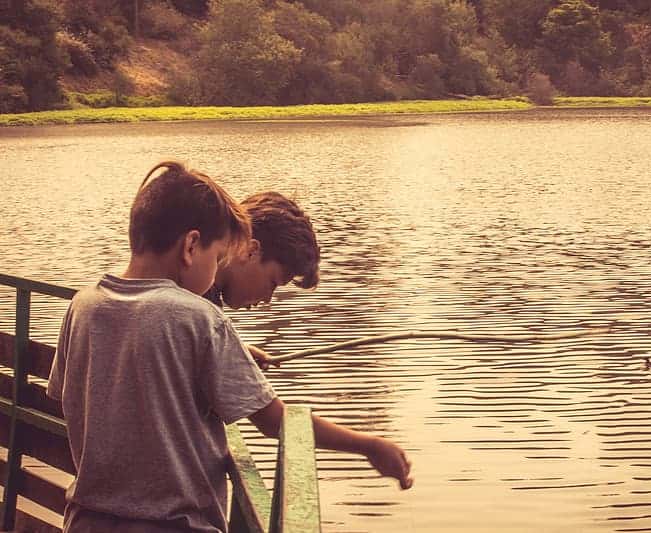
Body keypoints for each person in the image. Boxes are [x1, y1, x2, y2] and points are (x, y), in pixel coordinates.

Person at [47, 162, 412, 533]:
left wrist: (214, 360)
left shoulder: (83, 304)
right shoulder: (201, 319)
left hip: (86, 521)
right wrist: (368, 445)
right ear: (191, 246)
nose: (220, 262)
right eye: (218, 253)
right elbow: (273, 421)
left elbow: (68, 396)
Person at [203, 191, 320, 370]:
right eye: (272, 283)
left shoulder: (204, 296)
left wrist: (230, 352)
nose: (267, 299)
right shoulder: (201, 310)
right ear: (250, 251)